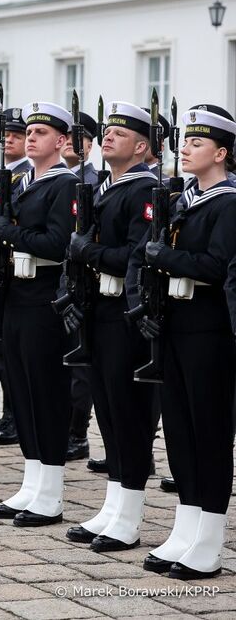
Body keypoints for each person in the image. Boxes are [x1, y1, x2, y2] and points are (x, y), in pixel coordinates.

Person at [126, 105, 236, 580]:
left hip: (211, 332)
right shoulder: (184, 198)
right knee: (180, 432)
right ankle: (186, 527)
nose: (186, 149)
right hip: (176, 325)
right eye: (185, 142)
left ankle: (209, 540)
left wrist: (165, 255)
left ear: (222, 152)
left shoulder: (229, 203)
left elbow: (217, 265)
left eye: (197, 143)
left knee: (209, 435)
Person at [61, 101, 158, 552]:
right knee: (108, 412)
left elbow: (139, 257)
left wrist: (89, 253)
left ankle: (131, 516)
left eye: (121, 134)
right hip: (99, 310)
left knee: (129, 414)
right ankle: (114, 504)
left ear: (141, 146)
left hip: (125, 314)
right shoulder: (103, 187)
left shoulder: (144, 191)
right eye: (108, 132)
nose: (109, 138)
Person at [0, 102, 76, 525]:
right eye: (29, 132)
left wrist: (10, 232)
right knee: (19, 390)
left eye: (41, 132)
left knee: (45, 392)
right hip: (17, 294)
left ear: (61, 142)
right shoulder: (22, 182)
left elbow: (59, 243)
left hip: (44, 296)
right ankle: (32, 481)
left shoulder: (65, 185)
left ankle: (51, 492)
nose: (31, 137)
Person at [60, 110, 100, 464]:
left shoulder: (91, 180)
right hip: (59, 276)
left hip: (81, 275)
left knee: (79, 365)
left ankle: (77, 431)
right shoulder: (58, 177)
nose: (72, 142)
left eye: (79, 137)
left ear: (89, 143)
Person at [0, 108, 29, 448]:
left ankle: (15, 415)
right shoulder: (2, 174)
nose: (12, 139)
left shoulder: (29, 176)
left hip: (21, 268)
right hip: (0, 270)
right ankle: (9, 414)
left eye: (19, 135)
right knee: (2, 354)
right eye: (8, 134)